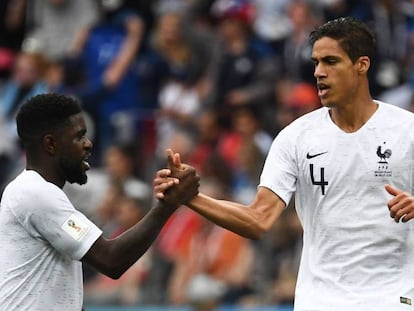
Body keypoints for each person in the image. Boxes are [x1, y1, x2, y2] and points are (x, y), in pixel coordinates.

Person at [156, 17, 414, 310]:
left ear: (361, 65)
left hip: (392, 299)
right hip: (321, 300)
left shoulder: (407, 130)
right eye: (316, 63)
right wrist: (192, 198)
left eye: (331, 61)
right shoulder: (294, 138)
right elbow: (258, 219)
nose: (319, 72)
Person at [0, 93, 199, 310]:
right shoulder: (35, 193)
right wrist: (168, 204)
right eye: (79, 136)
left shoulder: (33, 191)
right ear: (50, 144)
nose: (88, 144)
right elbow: (111, 260)